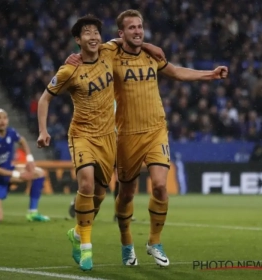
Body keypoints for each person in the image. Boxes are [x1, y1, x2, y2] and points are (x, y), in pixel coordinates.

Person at [66, 9, 228, 267]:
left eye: (140, 27)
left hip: (156, 130)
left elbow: (176, 72)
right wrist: (74, 58)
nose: (138, 31)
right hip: (127, 135)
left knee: (161, 186)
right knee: (127, 194)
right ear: (121, 33)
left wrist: (210, 74)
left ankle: (154, 241)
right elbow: (91, 48)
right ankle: (127, 244)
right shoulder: (111, 53)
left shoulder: (152, 56)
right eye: (131, 28)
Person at [37, 15, 164, 271]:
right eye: (87, 33)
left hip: (108, 136)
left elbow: (127, 40)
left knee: (99, 194)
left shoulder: (108, 52)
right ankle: (86, 247)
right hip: (82, 134)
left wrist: (150, 47)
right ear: (77, 40)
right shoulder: (69, 69)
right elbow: (44, 99)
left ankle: (76, 233)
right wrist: (43, 130)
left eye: (96, 32)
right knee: (85, 183)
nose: (93, 36)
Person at [0, 109, 50, 222]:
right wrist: (18, 174)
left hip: (8, 170)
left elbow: (22, 140)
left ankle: (32, 213)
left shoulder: (11, 132)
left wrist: (29, 159)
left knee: (39, 173)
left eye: (4, 117)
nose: (2, 121)